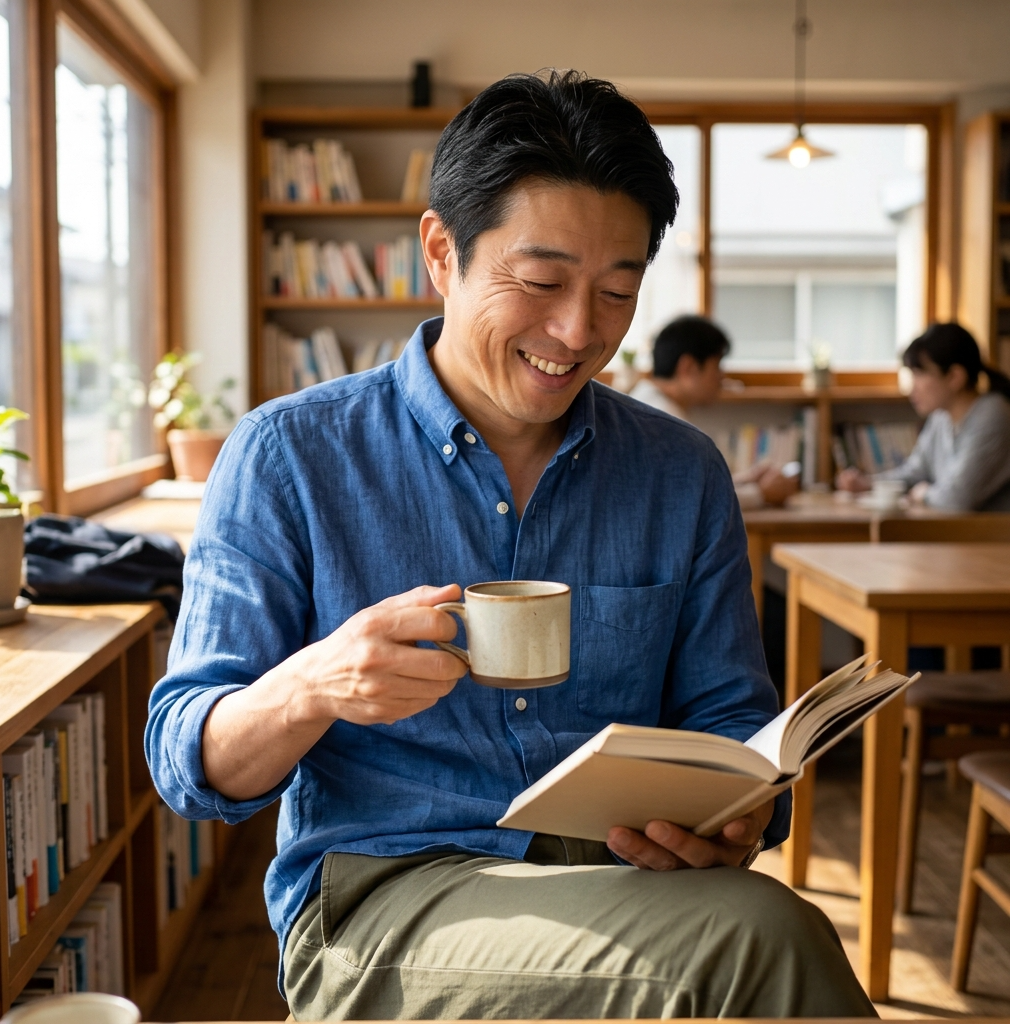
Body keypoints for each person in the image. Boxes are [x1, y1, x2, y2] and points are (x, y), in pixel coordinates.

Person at [146, 72, 875, 1021]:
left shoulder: (680, 471)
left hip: (633, 884)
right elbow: (186, 764)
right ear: (441, 252)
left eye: (617, 293)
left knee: (746, 922)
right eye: (539, 284)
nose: (577, 332)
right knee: (765, 940)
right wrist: (315, 684)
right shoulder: (290, 456)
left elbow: (728, 715)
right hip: (385, 905)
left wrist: (736, 815)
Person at [631, 314, 800, 507]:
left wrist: (743, 481)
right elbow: (693, 500)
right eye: (717, 366)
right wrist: (761, 494)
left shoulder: (646, 403)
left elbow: (691, 485)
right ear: (689, 367)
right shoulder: (664, 422)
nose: (721, 377)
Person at [837, 322, 1010, 510]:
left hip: (990, 537)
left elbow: (957, 499)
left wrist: (924, 493)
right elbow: (914, 473)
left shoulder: (993, 415)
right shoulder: (941, 417)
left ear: (955, 377)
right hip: (956, 534)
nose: (913, 388)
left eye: (919, 375)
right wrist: (868, 484)